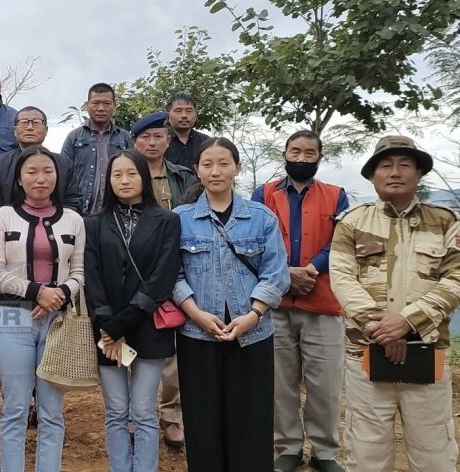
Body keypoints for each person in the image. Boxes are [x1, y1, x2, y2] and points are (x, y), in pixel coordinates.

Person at [330, 136, 460, 471]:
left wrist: (409, 321)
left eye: (404, 164)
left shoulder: (445, 220)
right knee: (367, 454)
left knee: (434, 454)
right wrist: (385, 329)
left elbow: (455, 278)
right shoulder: (352, 223)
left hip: (428, 352)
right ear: (372, 176)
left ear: (419, 173)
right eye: (385, 165)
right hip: (367, 356)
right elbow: (343, 280)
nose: (395, 172)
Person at [171, 137, 290, 471]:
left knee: (251, 418)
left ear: (237, 168)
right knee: (202, 418)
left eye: (224, 163)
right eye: (207, 164)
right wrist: (195, 313)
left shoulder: (261, 217)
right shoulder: (179, 219)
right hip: (198, 335)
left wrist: (252, 316)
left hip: (252, 335)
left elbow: (276, 274)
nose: (215, 171)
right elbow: (172, 274)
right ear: (196, 170)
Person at [0, 146, 85, 472]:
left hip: (58, 322)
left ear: (57, 176)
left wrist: (60, 293)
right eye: (32, 172)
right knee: (14, 407)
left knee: (52, 411)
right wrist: (37, 291)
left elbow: (80, 272)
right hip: (13, 317)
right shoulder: (3, 216)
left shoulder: (73, 220)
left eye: (47, 171)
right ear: (19, 178)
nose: (40, 178)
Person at [251, 130, 349, 472]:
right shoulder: (263, 193)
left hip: (321, 299)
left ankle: (324, 450)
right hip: (274, 303)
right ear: (285, 153)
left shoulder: (336, 196)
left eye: (310, 153)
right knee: (281, 382)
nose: (302, 158)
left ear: (319, 157)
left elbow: (342, 242)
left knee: (325, 382)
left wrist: (309, 269)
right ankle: (288, 446)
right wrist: (286, 272)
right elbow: (253, 238)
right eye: (296, 151)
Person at [84, 149, 181, 472]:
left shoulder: (167, 220)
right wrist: (106, 324)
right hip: (106, 328)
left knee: (142, 411)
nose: (124, 181)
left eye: (131, 174)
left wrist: (120, 325)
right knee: (115, 411)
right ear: (108, 180)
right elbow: (92, 276)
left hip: (148, 327)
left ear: (144, 177)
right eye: (117, 175)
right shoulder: (94, 223)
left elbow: (162, 278)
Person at [130, 111, 197, 447]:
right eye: (145, 137)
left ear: (168, 141)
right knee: (132, 340)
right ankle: (132, 414)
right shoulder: (125, 175)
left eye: (159, 136)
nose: (152, 143)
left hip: (178, 266)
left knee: (173, 347)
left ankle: (171, 416)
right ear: (134, 142)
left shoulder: (184, 176)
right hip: (136, 268)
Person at [0, 106, 81, 210]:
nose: (30, 127)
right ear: (15, 130)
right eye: (24, 123)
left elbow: (73, 202)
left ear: (46, 130)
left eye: (36, 123)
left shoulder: (63, 163)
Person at [61, 83, 132, 215]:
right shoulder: (74, 138)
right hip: (80, 211)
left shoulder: (124, 137)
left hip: (117, 211)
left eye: (106, 103)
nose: (101, 108)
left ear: (114, 106)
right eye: (96, 103)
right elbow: (63, 173)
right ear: (88, 105)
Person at [163, 93, 209, 170]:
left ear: (196, 116)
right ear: (168, 116)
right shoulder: (160, 141)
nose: (184, 115)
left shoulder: (206, 142)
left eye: (189, 111)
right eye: (178, 111)